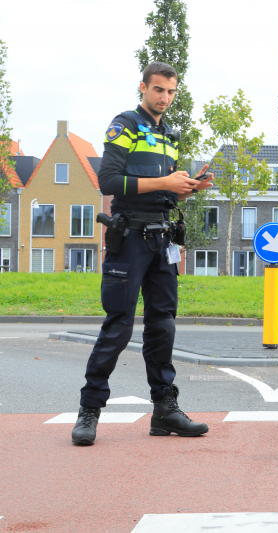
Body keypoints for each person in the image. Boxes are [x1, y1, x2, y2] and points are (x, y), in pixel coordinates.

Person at [71, 62, 214, 446]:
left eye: (170, 92)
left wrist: (185, 189)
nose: (164, 98)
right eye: (158, 90)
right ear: (143, 88)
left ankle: (165, 410)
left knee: (162, 324)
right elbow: (109, 180)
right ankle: (89, 411)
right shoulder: (125, 124)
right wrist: (165, 181)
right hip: (130, 235)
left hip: (162, 235)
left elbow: (161, 192)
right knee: (118, 324)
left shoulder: (171, 134)